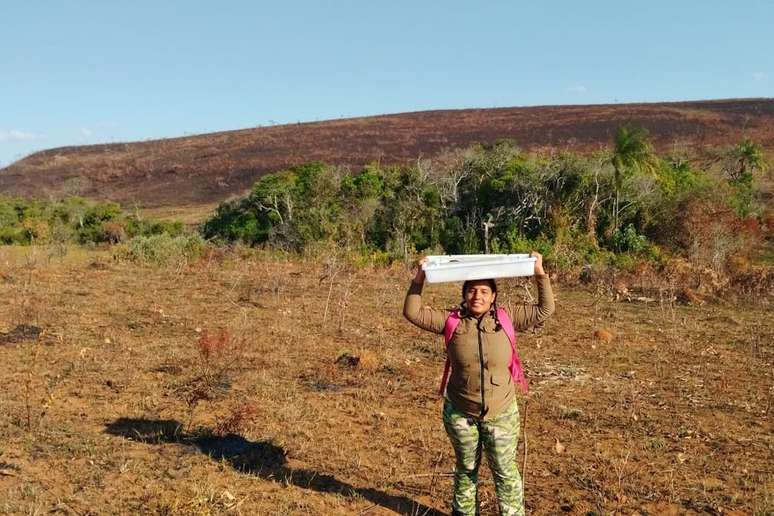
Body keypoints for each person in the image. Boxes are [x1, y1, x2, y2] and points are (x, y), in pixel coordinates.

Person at [403, 252, 555, 516]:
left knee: (506, 472)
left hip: (502, 413)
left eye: (484, 291)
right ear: (464, 294)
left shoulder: (507, 318)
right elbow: (412, 312)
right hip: (461, 413)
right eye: (472, 291)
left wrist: (540, 273)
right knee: (466, 470)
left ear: (493, 296)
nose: (478, 296)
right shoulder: (452, 321)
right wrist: (419, 279)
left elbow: (545, 309)